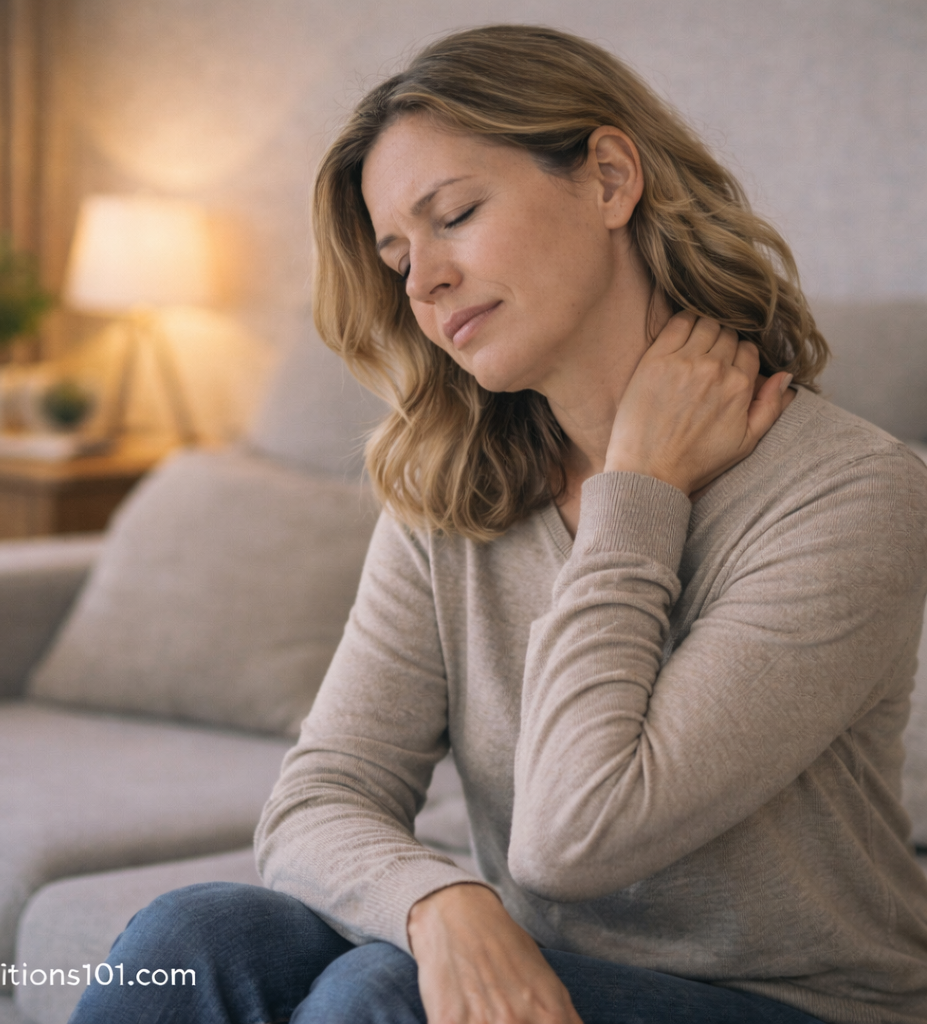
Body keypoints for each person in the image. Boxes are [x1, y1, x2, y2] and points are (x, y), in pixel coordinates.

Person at [70, 24, 927, 1024]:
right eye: (397, 257)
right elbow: (317, 800)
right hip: (547, 973)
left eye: (456, 216)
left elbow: (576, 838)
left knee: (379, 994)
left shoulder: (851, 493)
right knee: (197, 933)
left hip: (794, 1004)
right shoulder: (454, 485)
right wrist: (438, 900)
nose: (424, 281)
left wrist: (637, 489)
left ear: (610, 178)